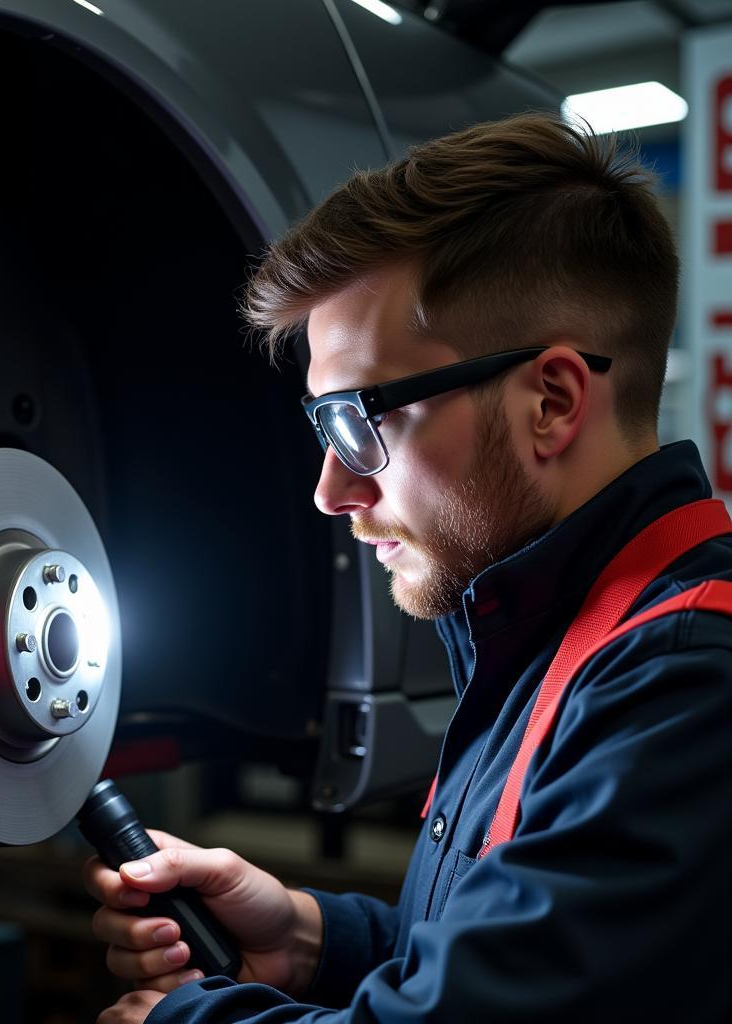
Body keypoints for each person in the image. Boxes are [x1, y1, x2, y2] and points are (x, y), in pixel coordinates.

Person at [84, 112, 732, 1023]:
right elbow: (519, 969)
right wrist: (311, 940)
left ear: (550, 401)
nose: (331, 488)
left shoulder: (684, 685)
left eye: (363, 420)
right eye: (323, 425)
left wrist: (182, 1021)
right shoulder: (563, 643)